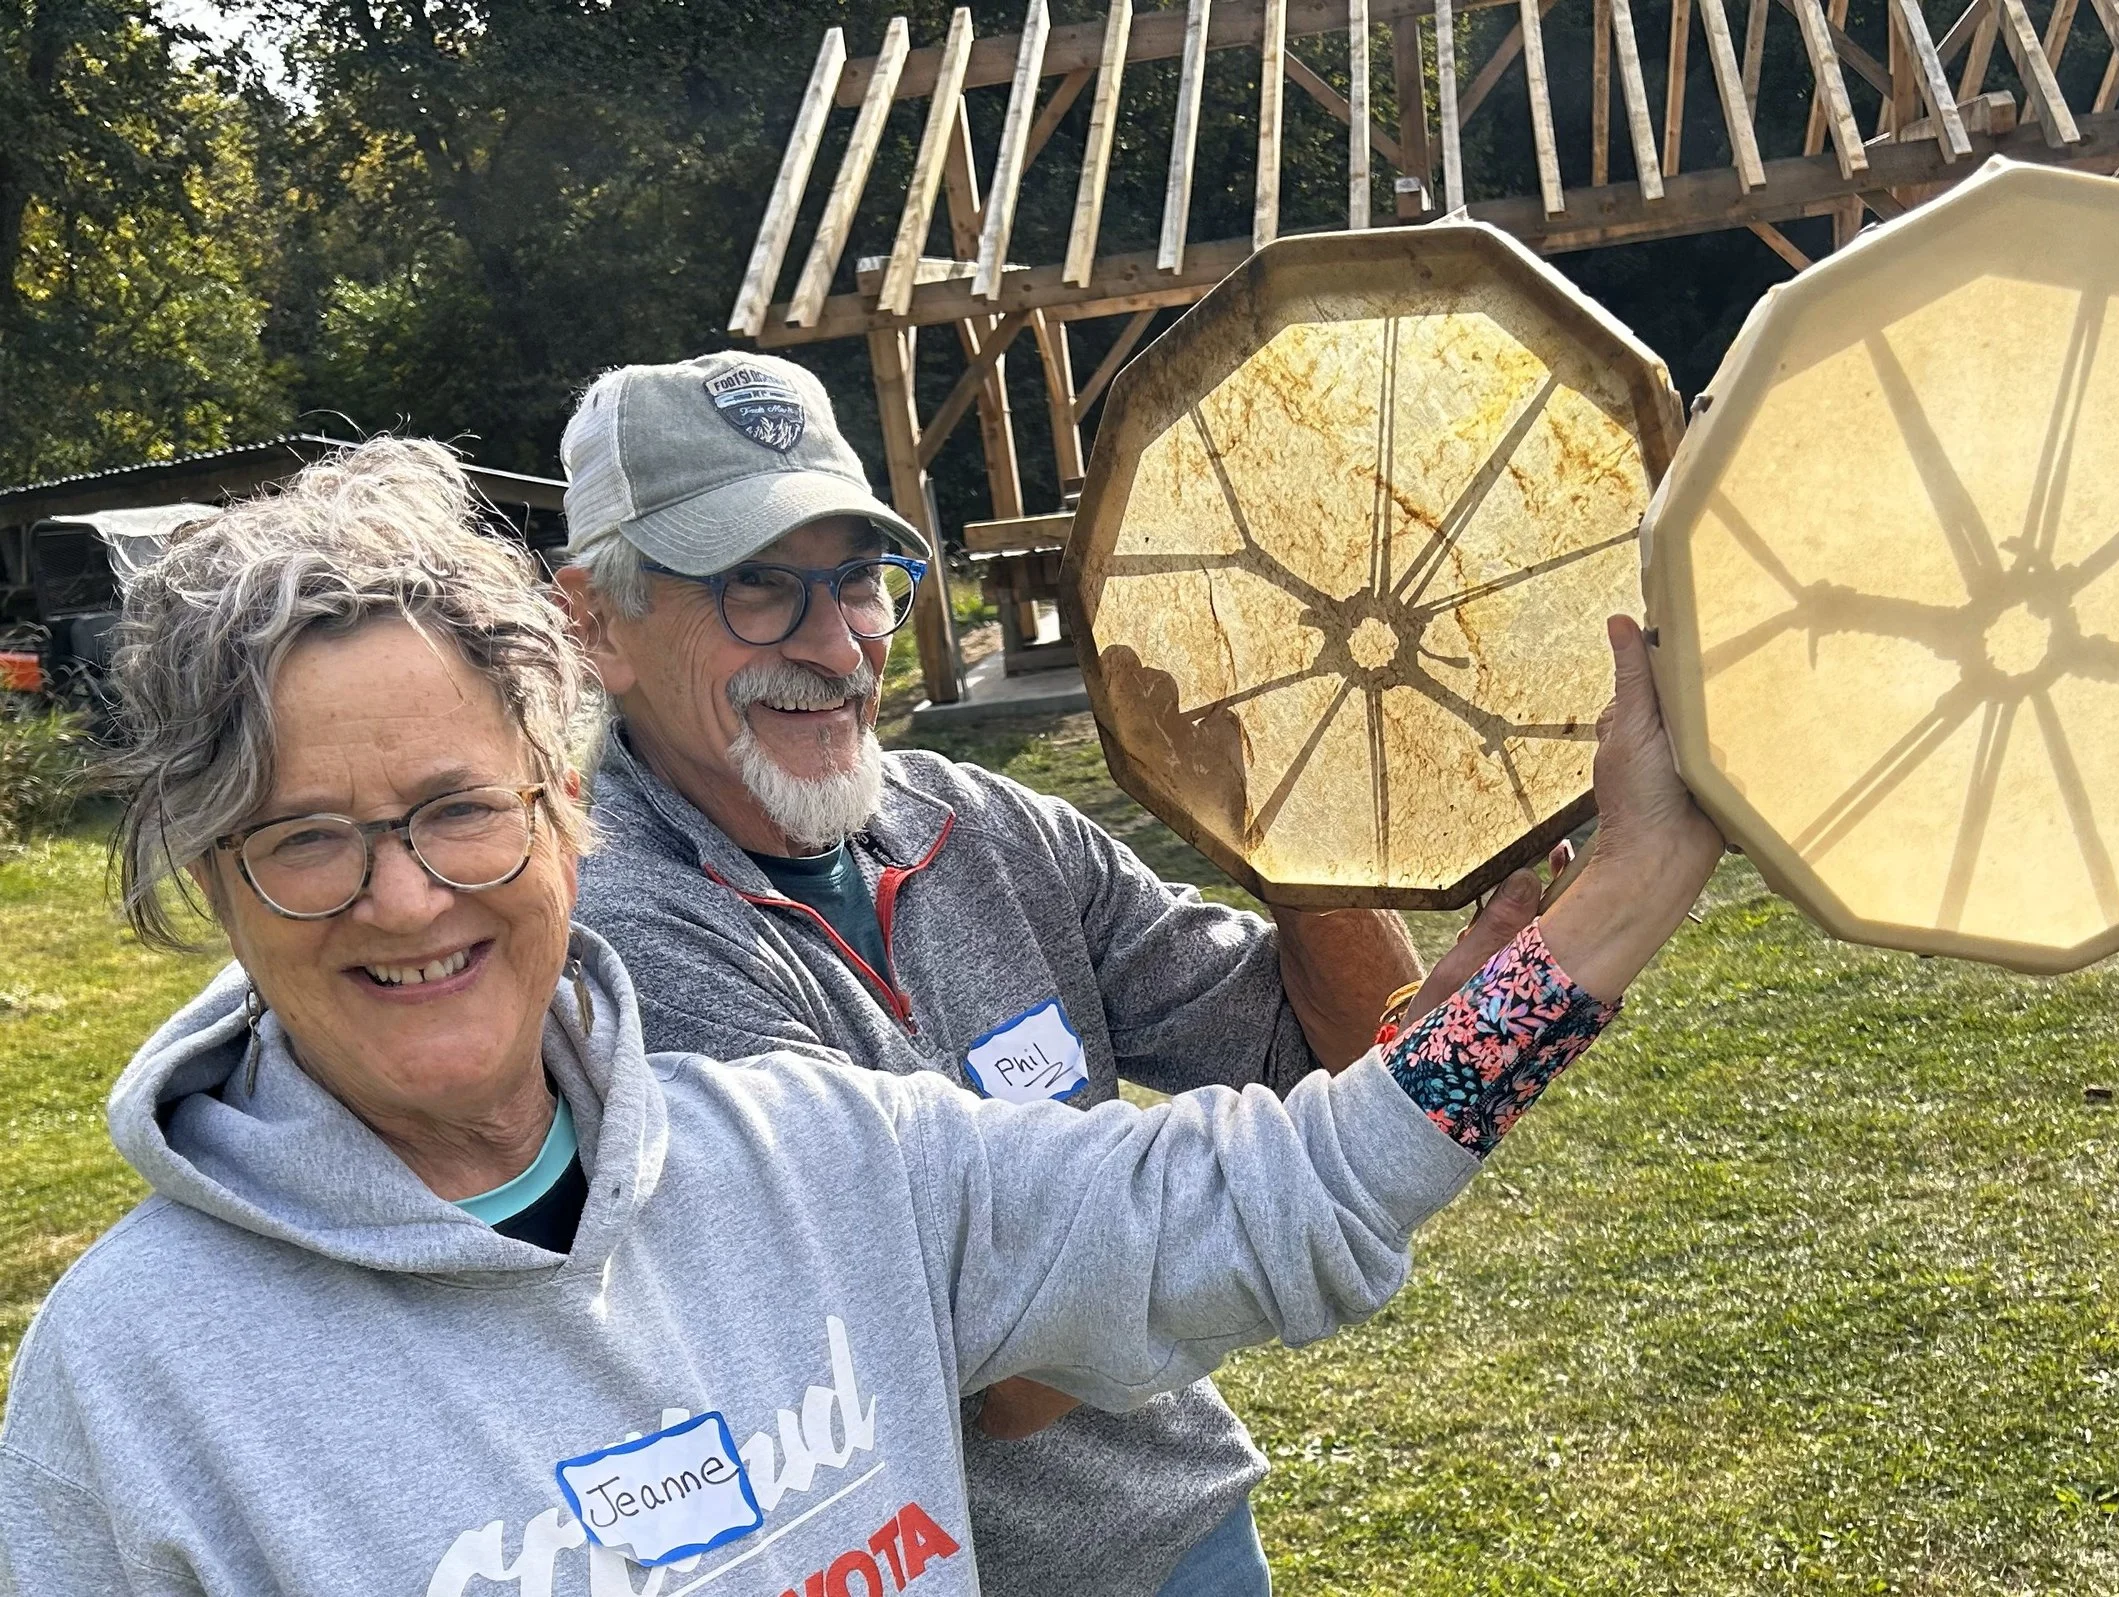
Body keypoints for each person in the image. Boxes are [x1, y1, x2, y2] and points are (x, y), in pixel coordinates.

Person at [0, 437, 1725, 1596]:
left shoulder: (816, 1164)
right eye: (308, 838)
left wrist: (1611, 904)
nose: (403, 896)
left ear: (558, 807)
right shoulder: (140, 1377)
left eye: (458, 809)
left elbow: (1290, 1179)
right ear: (210, 882)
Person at [551, 353, 1556, 1596]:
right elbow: (996, 1377)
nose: (838, 646)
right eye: (759, 590)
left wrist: (1290, 841)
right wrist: (1292, 1192)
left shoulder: (985, 828)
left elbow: (1336, 1065)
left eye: (860, 581)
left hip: (1187, 1533)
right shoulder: (620, 942)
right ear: (590, 620)